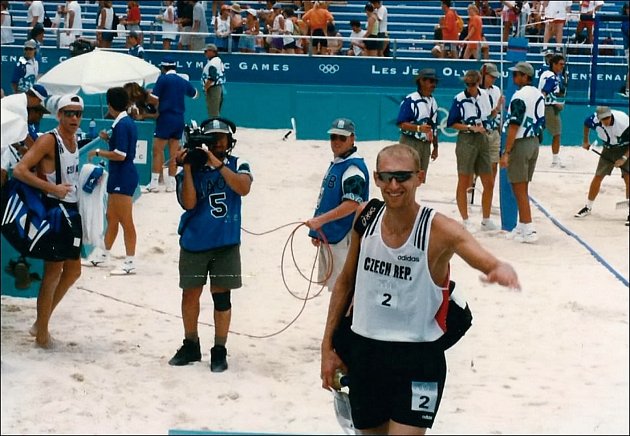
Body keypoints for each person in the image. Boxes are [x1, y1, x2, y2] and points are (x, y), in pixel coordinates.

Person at [320, 143, 521, 434]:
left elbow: (476, 252)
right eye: (386, 177)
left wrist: (497, 268)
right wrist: (327, 348)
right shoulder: (365, 218)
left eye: (403, 176)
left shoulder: (439, 229)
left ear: (420, 177)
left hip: (418, 359)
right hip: (365, 353)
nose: (393, 185)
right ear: (375, 178)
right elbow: (345, 283)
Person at [168, 117, 253, 372]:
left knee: (222, 297)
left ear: (229, 141)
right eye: (211, 137)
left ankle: (219, 349)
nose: (216, 142)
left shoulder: (239, 164)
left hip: (225, 243)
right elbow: (190, 203)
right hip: (195, 241)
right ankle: (191, 343)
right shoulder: (189, 168)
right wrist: (190, 168)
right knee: (190, 293)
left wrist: (215, 163)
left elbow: (243, 187)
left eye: (221, 137)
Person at [12, 94, 85, 349]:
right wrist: (51, 189)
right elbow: (20, 170)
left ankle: (39, 322)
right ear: (59, 115)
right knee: (52, 273)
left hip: (72, 210)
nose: (74, 118)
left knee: (74, 271)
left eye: (78, 113)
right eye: (69, 113)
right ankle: (42, 334)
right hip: (55, 212)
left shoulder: (74, 138)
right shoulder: (48, 139)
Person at [305, 118, 369, 292]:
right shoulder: (338, 163)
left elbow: (352, 204)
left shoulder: (353, 168)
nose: (337, 142)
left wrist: (320, 221)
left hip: (344, 237)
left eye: (342, 138)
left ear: (352, 138)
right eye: (334, 137)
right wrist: (318, 230)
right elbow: (327, 200)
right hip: (332, 235)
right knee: (336, 288)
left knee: (345, 289)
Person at [86, 87, 139, 274]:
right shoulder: (122, 123)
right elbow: (120, 149)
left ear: (110, 104)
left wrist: (98, 151)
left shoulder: (123, 124)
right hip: (119, 175)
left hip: (123, 176)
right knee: (112, 217)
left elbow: (121, 155)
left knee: (125, 220)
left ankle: (130, 261)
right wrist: (109, 139)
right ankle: (103, 255)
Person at [500, 61, 545, 243]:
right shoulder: (539, 95)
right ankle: (521, 225)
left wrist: (507, 151)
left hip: (521, 142)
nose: (514, 78)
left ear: (525, 76)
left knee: (518, 188)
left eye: (517, 74)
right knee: (523, 185)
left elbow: (514, 124)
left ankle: (529, 228)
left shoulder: (520, 96)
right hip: (534, 142)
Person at [446, 69, 497, 232]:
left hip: (483, 138)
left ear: (478, 82)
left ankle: (486, 219)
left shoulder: (485, 96)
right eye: (468, 85)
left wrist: (497, 108)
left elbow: (489, 116)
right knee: (464, 179)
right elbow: (451, 123)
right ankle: (465, 219)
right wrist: (469, 127)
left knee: (488, 181)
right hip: (467, 139)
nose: (471, 87)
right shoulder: (459, 99)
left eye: (473, 84)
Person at [145, 56, 198, 193]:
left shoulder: (163, 79)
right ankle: (171, 184)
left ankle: (154, 183)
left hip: (166, 118)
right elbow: (195, 94)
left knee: (157, 151)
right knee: (174, 153)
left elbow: (154, 99)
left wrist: (145, 95)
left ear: (163, 68)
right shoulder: (182, 80)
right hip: (179, 118)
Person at [574, 107, 629, 226]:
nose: (606, 121)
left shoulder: (624, 122)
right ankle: (588, 207)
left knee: (628, 178)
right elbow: (586, 124)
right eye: (603, 119)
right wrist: (585, 141)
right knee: (598, 176)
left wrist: (623, 158)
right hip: (608, 148)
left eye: (608, 118)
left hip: (625, 148)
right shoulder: (593, 120)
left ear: (611, 115)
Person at [396, 68, 440, 183]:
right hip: (410, 141)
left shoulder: (433, 101)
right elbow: (401, 123)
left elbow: (434, 127)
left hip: (425, 145)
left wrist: (435, 147)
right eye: (431, 81)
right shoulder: (411, 99)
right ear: (421, 81)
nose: (434, 84)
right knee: (406, 177)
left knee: (420, 178)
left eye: (435, 82)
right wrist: (419, 128)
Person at [479, 62, 505, 200]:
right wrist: (495, 110)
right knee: (476, 164)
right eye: (491, 76)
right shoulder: (475, 90)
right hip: (481, 131)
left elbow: (499, 113)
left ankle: (488, 192)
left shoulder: (496, 90)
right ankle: (470, 191)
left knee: (494, 164)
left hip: (494, 131)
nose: (494, 79)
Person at [537, 53, 566, 168]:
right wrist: (556, 103)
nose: (562, 67)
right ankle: (555, 160)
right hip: (549, 108)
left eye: (563, 65)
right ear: (553, 64)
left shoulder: (545, 73)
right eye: (560, 64)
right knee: (557, 134)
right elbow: (545, 92)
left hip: (542, 107)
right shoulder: (552, 77)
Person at [201, 43, 225, 118]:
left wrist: (205, 88)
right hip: (217, 87)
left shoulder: (213, 62)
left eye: (206, 51)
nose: (205, 53)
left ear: (212, 51)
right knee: (215, 110)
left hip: (213, 88)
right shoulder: (217, 60)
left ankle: (214, 127)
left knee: (213, 111)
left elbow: (212, 77)